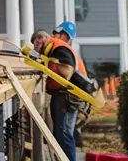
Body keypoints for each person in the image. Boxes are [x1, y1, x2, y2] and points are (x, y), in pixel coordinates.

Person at [43, 21, 88, 160]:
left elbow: (66, 72)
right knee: (61, 134)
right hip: (66, 96)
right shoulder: (60, 48)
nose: (65, 40)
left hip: (68, 98)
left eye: (67, 37)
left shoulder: (61, 48)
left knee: (64, 134)